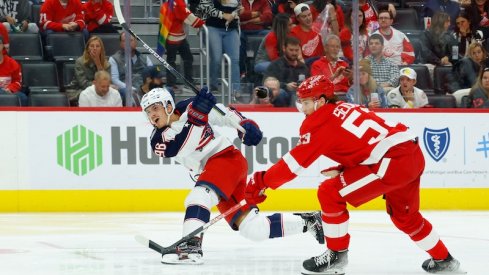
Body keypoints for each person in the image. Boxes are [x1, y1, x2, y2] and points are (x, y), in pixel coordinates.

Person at [244, 74, 463, 274]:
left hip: (392, 162)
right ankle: (445, 261)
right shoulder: (344, 106)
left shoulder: (319, 122)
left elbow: (291, 166)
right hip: (410, 154)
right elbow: (366, 144)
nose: (303, 108)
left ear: (320, 101)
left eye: (307, 102)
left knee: (330, 192)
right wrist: (346, 168)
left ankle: (336, 258)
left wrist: (260, 182)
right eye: (301, 101)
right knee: (406, 216)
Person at [140, 86, 324, 265]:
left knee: (199, 196)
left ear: (169, 106)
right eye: (148, 112)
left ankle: (190, 247)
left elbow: (223, 114)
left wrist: (244, 124)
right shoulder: (158, 140)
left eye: (155, 108)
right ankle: (309, 222)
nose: (152, 115)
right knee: (252, 229)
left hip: (226, 159)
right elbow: (184, 146)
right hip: (216, 174)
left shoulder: (190, 106)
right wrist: (198, 116)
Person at [195, 0, 241, 92]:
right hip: (212, 26)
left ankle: (235, 90)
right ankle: (213, 85)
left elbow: (239, 7)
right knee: (216, 57)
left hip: (231, 28)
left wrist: (237, 12)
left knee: (234, 60)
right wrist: (222, 14)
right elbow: (203, 7)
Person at [163, 0, 205, 91]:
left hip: (172, 35)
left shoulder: (168, 2)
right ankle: (178, 84)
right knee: (177, 60)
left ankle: (173, 85)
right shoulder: (178, 2)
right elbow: (187, 15)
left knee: (173, 61)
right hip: (174, 36)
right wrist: (201, 23)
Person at [263, 36, 309, 104]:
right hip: (283, 94)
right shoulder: (275, 65)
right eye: (291, 50)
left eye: (296, 50)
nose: (294, 53)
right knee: (280, 93)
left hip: (299, 96)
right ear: (284, 48)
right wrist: (286, 86)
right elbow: (266, 83)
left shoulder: (303, 67)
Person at [109, 32, 153, 102]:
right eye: (124, 41)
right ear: (120, 44)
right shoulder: (114, 59)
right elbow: (115, 80)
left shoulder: (145, 58)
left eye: (131, 40)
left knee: (168, 90)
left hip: (144, 89)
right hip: (125, 90)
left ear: (136, 42)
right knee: (129, 94)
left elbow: (153, 75)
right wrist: (131, 89)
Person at [68, 35, 111, 106]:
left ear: (101, 49)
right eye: (92, 46)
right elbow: (83, 84)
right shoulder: (80, 62)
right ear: (87, 48)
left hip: (101, 90)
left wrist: (98, 63)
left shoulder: (107, 64)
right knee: (92, 95)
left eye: (97, 46)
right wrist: (98, 86)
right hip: (79, 90)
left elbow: (106, 82)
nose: (94, 48)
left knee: (114, 93)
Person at [239, 0, 273, 77]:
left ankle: (262, 64)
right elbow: (238, 15)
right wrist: (255, 14)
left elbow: (268, 16)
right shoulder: (240, 1)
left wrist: (246, 21)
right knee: (238, 38)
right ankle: (242, 70)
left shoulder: (263, 2)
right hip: (242, 30)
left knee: (270, 35)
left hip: (259, 30)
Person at [0, 35, 27, 106]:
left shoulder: (12, 63)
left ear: (2, 46)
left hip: (8, 92)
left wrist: (10, 89)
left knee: (23, 97)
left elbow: (18, 82)